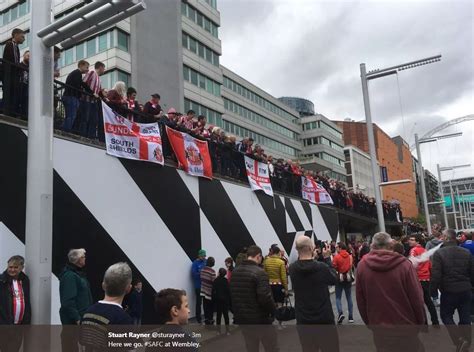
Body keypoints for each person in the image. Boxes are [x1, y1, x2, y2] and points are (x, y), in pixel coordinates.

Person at [356, 232, 425, 352]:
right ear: (391, 245)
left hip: (379, 327)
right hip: (406, 325)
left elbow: (360, 299)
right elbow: (416, 297)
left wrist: (370, 323)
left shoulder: (362, 266)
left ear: (373, 245)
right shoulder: (404, 265)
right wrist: (420, 322)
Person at [289, 236, 339, 352]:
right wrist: (327, 259)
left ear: (297, 249)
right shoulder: (321, 267)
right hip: (324, 319)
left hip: (303, 320)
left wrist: (313, 258)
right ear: (312, 248)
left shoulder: (292, 269)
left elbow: (306, 265)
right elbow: (334, 279)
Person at [431, 229, 473, 352]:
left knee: (446, 315)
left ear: (445, 237)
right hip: (465, 289)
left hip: (448, 290)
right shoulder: (466, 252)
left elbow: (436, 275)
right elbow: (472, 272)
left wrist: (433, 291)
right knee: (465, 317)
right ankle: (466, 342)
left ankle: (459, 339)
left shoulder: (439, 254)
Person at [230, 245, 277, 352]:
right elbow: (265, 297)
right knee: (272, 347)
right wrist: (273, 311)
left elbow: (232, 296)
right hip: (261, 320)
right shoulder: (260, 273)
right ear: (258, 256)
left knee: (251, 347)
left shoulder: (235, 273)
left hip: (244, 320)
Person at [79, 263, 133, 349]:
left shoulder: (87, 314)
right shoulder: (124, 320)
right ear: (128, 288)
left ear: (103, 285)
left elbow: (82, 346)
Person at [59, 248, 93, 352]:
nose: (85, 259)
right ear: (78, 259)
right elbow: (68, 301)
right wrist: (77, 318)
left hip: (82, 318)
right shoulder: (70, 276)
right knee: (71, 346)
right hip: (73, 321)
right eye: (83, 257)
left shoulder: (77, 274)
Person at [0, 255, 31, 352]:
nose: (12, 270)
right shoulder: (1, 281)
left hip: (18, 326)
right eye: (10, 267)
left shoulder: (25, 280)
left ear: (22, 268)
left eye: (15, 267)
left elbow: (27, 302)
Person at [408, 234, 439, 325]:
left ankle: (424, 323)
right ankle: (435, 321)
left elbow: (412, 265)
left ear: (417, 242)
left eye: (412, 240)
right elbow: (429, 265)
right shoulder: (425, 250)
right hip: (427, 278)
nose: (410, 241)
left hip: (418, 279)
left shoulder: (413, 250)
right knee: (428, 301)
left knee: (419, 302)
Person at [62, 60, 91, 133]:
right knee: (71, 116)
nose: (88, 69)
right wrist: (82, 90)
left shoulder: (76, 73)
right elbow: (78, 84)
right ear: (81, 65)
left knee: (70, 116)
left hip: (69, 96)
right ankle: (65, 131)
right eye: (86, 67)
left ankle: (65, 130)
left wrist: (91, 92)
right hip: (71, 97)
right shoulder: (77, 73)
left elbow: (82, 84)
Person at [1, 28, 25, 116]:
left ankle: (9, 111)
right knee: (9, 94)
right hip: (10, 75)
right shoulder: (11, 44)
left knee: (11, 94)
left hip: (10, 74)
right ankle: (7, 112)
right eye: (22, 36)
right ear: (16, 35)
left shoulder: (14, 46)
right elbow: (15, 61)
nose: (24, 39)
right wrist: (20, 67)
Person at [80, 61, 105, 139]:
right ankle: (84, 135)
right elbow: (84, 83)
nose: (104, 70)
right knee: (85, 118)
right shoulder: (92, 72)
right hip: (86, 100)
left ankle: (91, 136)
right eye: (103, 68)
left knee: (94, 120)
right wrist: (91, 93)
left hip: (93, 102)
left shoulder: (99, 78)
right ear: (100, 67)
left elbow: (99, 91)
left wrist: (104, 98)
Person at [332, 242, 354, 324]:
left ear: (340, 248)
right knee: (349, 297)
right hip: (348, 278)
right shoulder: (350, 256)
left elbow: (333, 266)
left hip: (339, 278)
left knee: (338, 297)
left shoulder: (336, 257)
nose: (336, 248)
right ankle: (351, 317)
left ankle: (340, 313)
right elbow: (351, 266)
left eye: (337, 247)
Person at [263, 246, 288, 316]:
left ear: (272, 252)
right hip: (279, 286)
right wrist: (286, 289)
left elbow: (264, 275)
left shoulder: (266, 261)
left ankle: (272, 318)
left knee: (271, 303)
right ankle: (280, 321)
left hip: (269, 285)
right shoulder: (281, 262)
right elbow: (283, 277)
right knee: (280, 303)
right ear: (278, 252)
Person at [212, 268, 231, 334]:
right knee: (226, 316)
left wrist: (213, 299)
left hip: (218, 301)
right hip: (225, 301)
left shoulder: (216, 280)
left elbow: (213, 291)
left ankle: (218, 331)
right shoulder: (226, 281)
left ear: (219, 273)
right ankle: (227, 331)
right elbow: (228, 291)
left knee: (218, 316)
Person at [191, 249, 207, 324]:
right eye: (203, 256)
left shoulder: (205, 261)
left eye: (205, 256)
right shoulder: (195, 263)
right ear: (199, 255)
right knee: (199, 303)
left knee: (206, 302)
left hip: (205, 286)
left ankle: (207, 317)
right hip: (198, 286)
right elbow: (193, 274)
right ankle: (199, 319)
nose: (204, 257)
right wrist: (200, 273)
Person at [200, 256, 216, 325]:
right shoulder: (212, 271)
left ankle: (206, 319)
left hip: (203, 291)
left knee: (205, 306)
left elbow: (201, 278)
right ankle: (210, 320)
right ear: (212, 263)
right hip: (209, 292)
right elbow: (214, 282)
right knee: (210, 307)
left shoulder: (202, 269)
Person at [18, 50, 29, 117]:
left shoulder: (30, 67)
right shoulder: (19, 65)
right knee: (19, 99)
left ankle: (24, 115)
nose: (29, 58)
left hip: (27, 85)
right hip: (20, 85)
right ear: (24, 56)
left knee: (25, 101)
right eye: (28, 56)